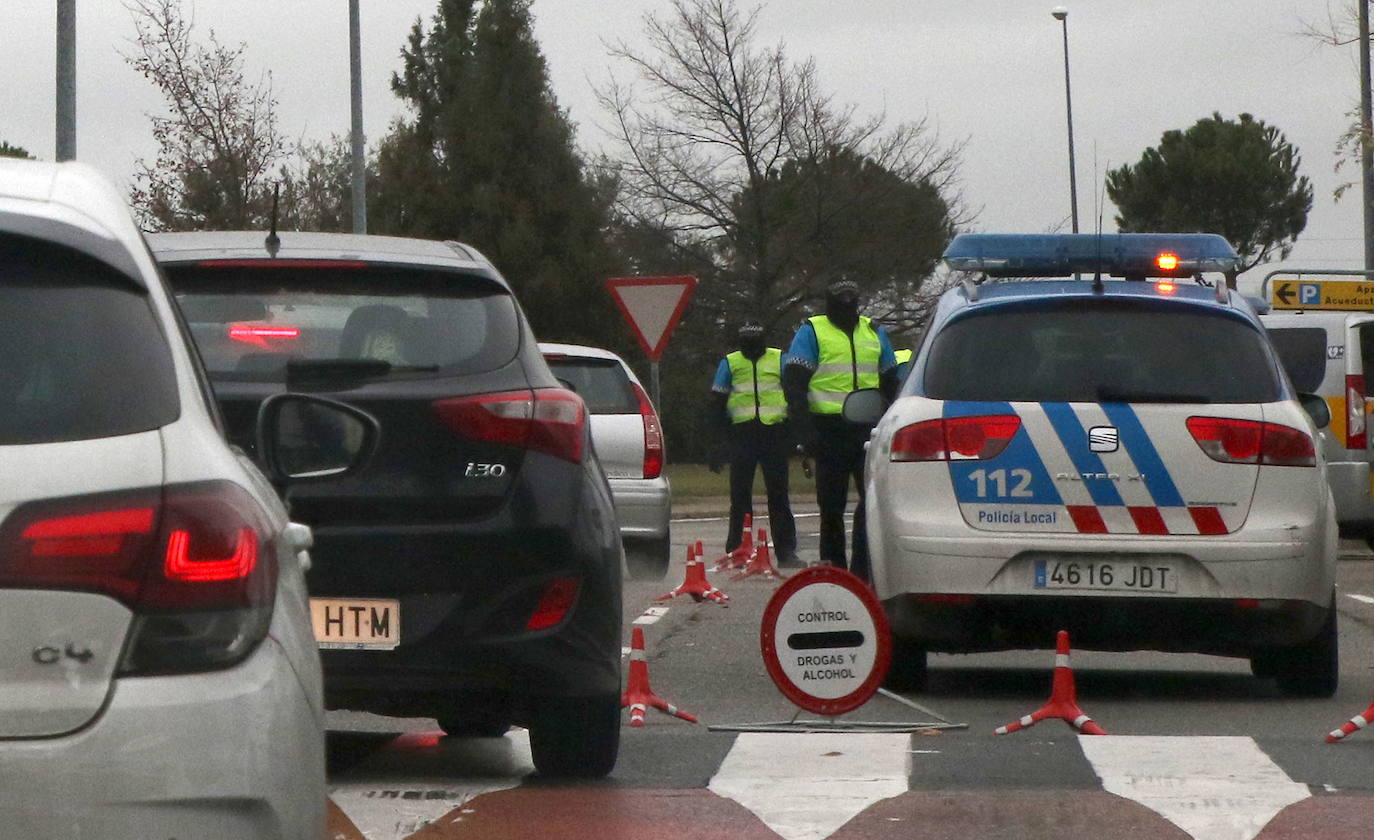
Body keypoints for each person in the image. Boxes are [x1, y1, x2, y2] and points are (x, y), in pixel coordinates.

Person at [782, 280, 900, 581]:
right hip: (828, 431)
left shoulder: (873, 330)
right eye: (841, 299)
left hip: (868, 431)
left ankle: (862, 572)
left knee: (869, 505)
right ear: (830, 301)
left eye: (852, 299)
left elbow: (890, 379)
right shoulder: (812, 331)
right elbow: (794, 384)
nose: (847, 305)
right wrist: (804, 433)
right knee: (831, 509)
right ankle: (834, 573)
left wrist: (888, 416)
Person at [708, 320, 801, 567]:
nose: (750, 347)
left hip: (774, 434)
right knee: (740, 497)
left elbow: (793, 396)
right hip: (742, 435)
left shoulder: (780, 358)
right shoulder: (730, 362)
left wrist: (795, 434)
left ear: (764, 341)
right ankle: (736, 550)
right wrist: (717, 443)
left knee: (779, 496)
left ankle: (786, 552)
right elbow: (717, 402)